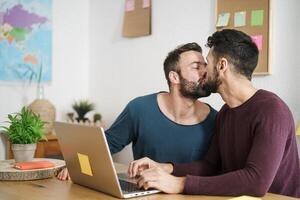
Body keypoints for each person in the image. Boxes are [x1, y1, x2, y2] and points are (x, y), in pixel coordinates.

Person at [128, 29, 300, 198]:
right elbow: (210, 165)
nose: (203, 72)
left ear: (222, 65)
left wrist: (178, 184)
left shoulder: (272, 110)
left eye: (207, 64)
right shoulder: (226, 113)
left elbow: (256, 182)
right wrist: (165, 168)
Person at [57, 42, 217, 180]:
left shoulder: (216, 119)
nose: (205, 72)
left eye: (205, 66)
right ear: (174, 77)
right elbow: (108, 144)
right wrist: (76, 166)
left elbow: (214, 168)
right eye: (196, 66)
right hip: (145, 194)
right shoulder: (140, 109)